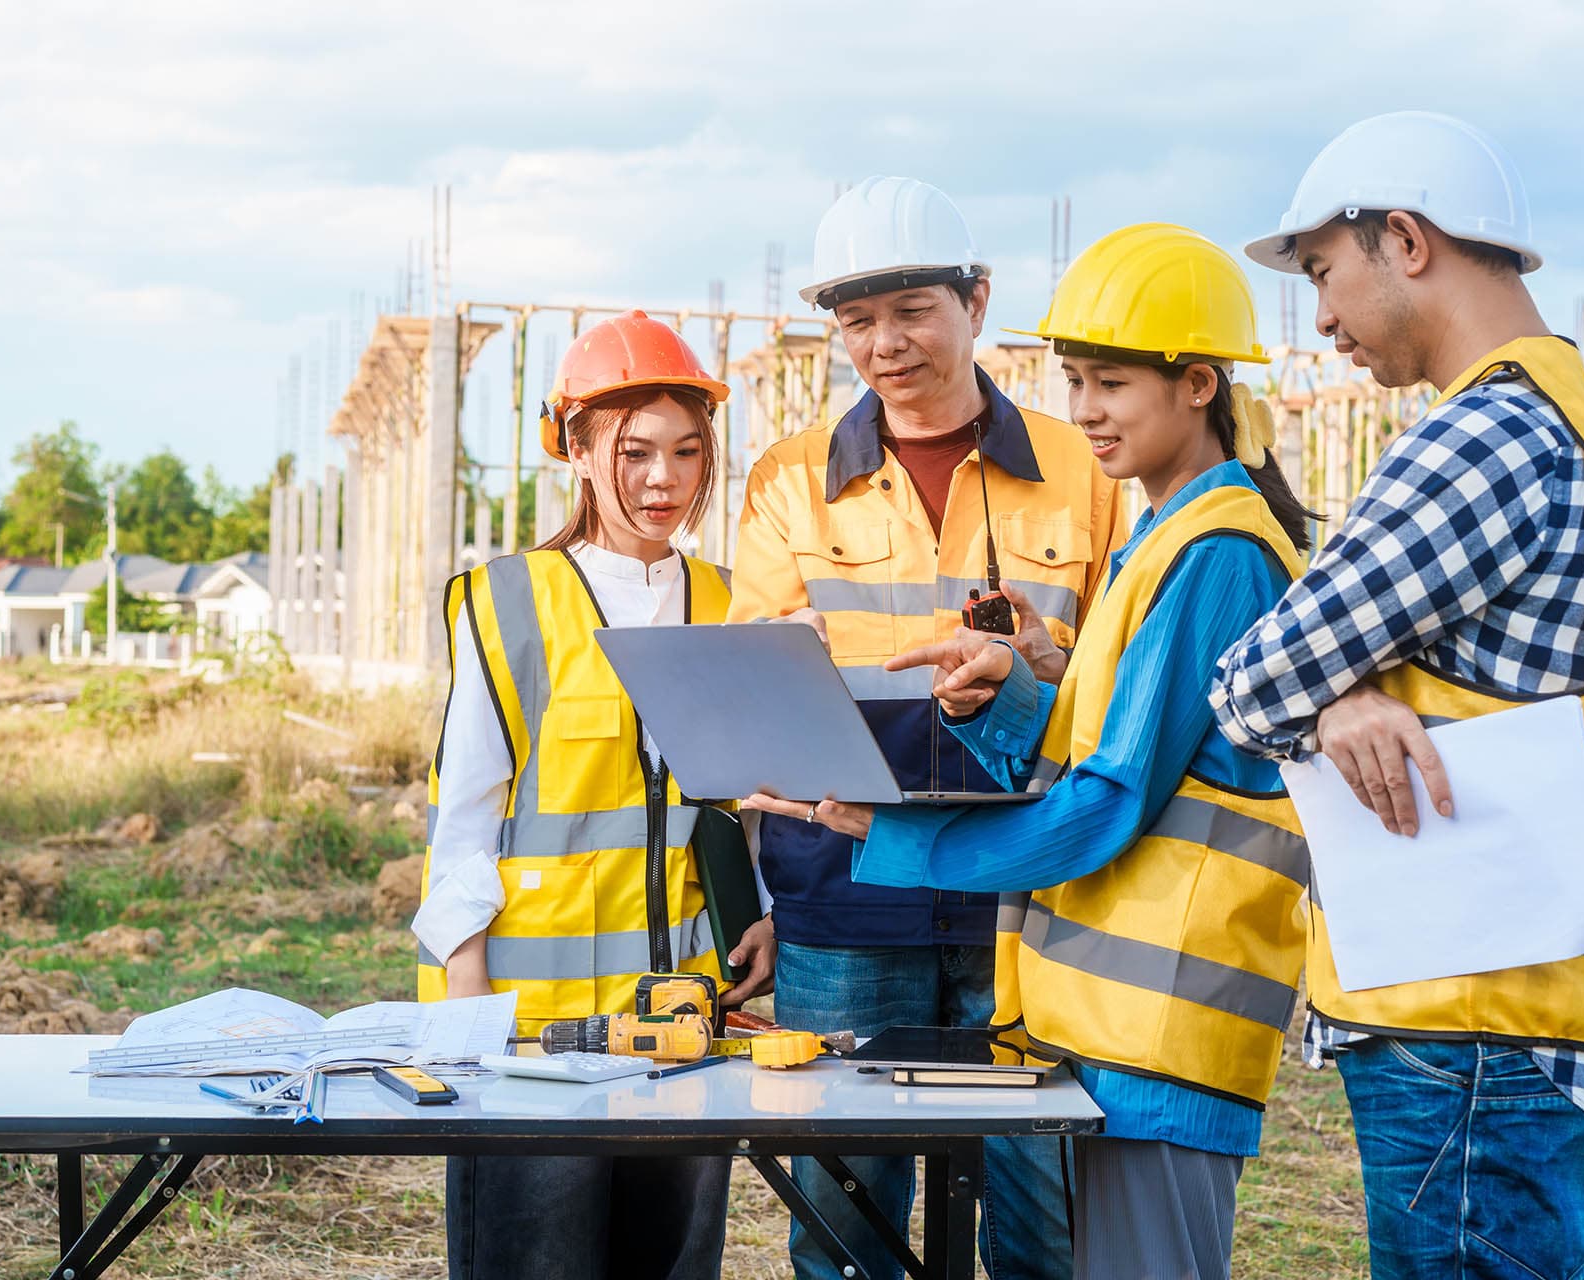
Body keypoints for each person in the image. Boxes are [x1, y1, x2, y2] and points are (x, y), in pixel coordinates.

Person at [749, 223, 1316, 1279]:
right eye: (1075, 381)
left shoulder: (1218, 551)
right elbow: (1100, 728)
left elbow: (1107, 798)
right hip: (1110, 1015)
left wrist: (902, 837)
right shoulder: (1166, 536)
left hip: (1165, 1024)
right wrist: (1012, 691)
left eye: (1110, 385)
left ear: (1199, 384)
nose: (1087, 412)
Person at [1213, 111, 1584, 1279]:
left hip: (1473, 1021)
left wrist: (1314, 694)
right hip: (1517, 1005)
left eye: (1323, 273)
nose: (1319, 317)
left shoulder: (1491, 432)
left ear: (1404, 240)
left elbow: (1255, 679)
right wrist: (1344, 695)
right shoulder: (1564, 412)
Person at [729, 175, 1123, 1280]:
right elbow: (749, 699)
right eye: (857, 319)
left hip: (1029, 897)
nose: (884, 342)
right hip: (849, 896)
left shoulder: (1084, 472)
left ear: (977, 301)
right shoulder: (789, 480)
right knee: (846, 1225)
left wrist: (1040, 659)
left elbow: (1121, 676)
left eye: (911, 310)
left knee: (1043, 1222)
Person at [413, 310, 767, 1280]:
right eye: (636, 450)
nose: (665, 479)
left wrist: (769, 915)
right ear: (573, 448)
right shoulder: (508, 600)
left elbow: (743, 801)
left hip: (685, 1023)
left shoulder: (730, 600)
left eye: (688, 452)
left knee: (672, 1264)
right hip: (536, 1031)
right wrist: (467, 1001)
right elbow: (465, 821)